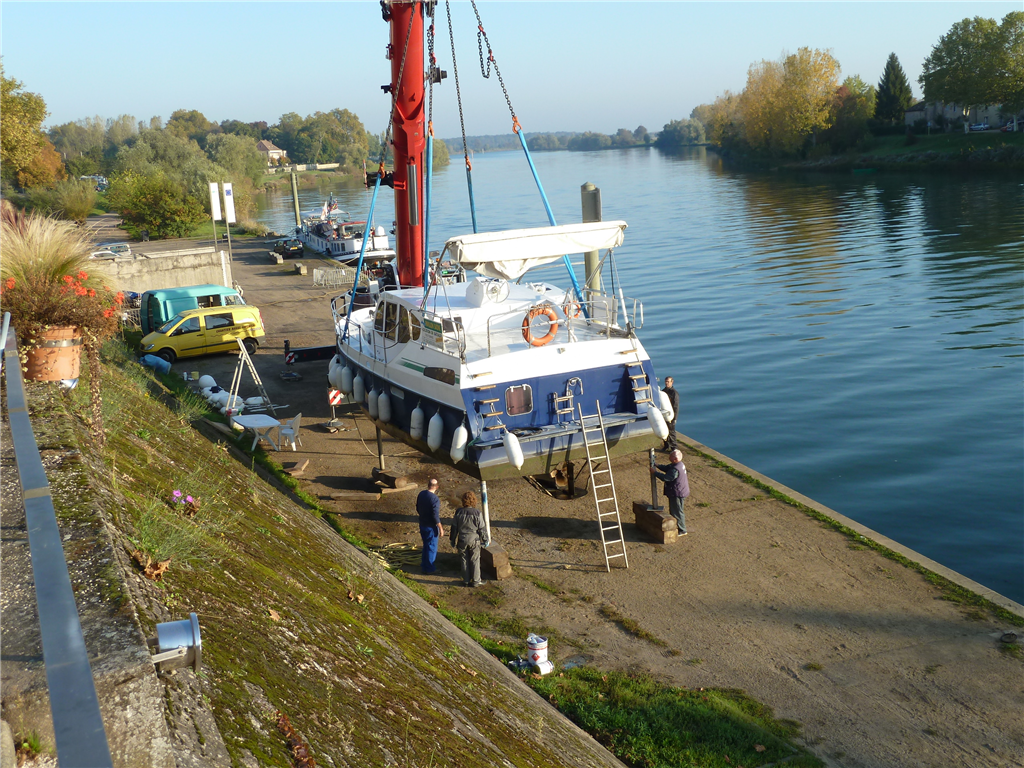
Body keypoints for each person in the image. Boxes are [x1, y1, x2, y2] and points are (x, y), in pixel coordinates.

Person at [450, 490, 489, 587]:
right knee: (475, 560)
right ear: (474, 501)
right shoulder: (477, 513)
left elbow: (454, 527)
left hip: (462, 539)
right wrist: (485, 540)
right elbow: (482, 528)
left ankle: (466, 580)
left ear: (463, 501)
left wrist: (452, 539)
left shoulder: (459, 512)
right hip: (474, 540)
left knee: (464, 559)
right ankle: (476, 581)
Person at [650, 449, 690, 535]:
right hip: (680, 491)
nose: (669, 457)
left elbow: (666, 478)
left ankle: (682, 530)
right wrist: (657, 465)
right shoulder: (678, 464)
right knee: (675, 510)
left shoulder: (675, 469)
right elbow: (667, 468)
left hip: (677, 493)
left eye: (670, 456)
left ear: (675, 459)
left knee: (677, 511)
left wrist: (655, 473)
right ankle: (678, 526)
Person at [416, 478, 444, 574]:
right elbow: (435, 515)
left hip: (422, 523)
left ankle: (424, 566)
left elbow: (417, 507)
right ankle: (429, 569)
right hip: (431, 527)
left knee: (426, 546)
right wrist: (440, 528)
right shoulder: (435, 499)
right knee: (431, 548)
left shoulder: (421, 494)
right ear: (437, 487)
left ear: (428, 485)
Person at [662, 376, 679, 452]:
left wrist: (675, 418)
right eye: (666, 381)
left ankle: (674, 448)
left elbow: (676, 406)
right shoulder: (663, 392)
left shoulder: (674, 393)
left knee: (671, 432)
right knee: (664, 431)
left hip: (670, 415)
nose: (667, 383)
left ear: (672, 382)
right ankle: (666, 446)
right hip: (664, 415)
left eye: (668, 382)